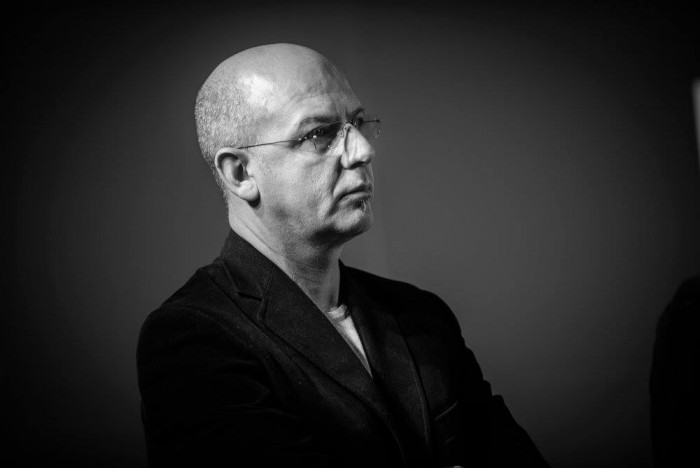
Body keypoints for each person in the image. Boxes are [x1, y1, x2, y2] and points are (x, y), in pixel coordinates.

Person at [136, 43, 548, 467]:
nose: (363, 151)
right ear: (240, 173)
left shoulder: (421, 316)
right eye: (320, 134)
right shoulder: (194, 339)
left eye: (358, 124)